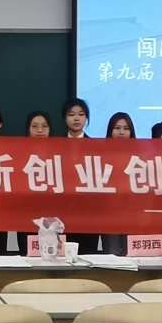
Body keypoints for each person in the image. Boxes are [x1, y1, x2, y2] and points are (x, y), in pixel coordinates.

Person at [62, 98, 99, 255]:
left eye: (81, 114)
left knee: (88, 254)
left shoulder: (96, 147)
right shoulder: (55, 145)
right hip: (63, 210)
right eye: (71, 114)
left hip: (89, 211)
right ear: (65, 119)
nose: (76, 118)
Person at [101, 112, 136, 255]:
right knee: (112, 254)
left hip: (133, 212)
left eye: (126, 129)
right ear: (110, 131)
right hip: (109, 213)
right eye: (117, 128)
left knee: (132, 253)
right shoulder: (101, 155)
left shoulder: (140, 155)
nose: (121, 132)